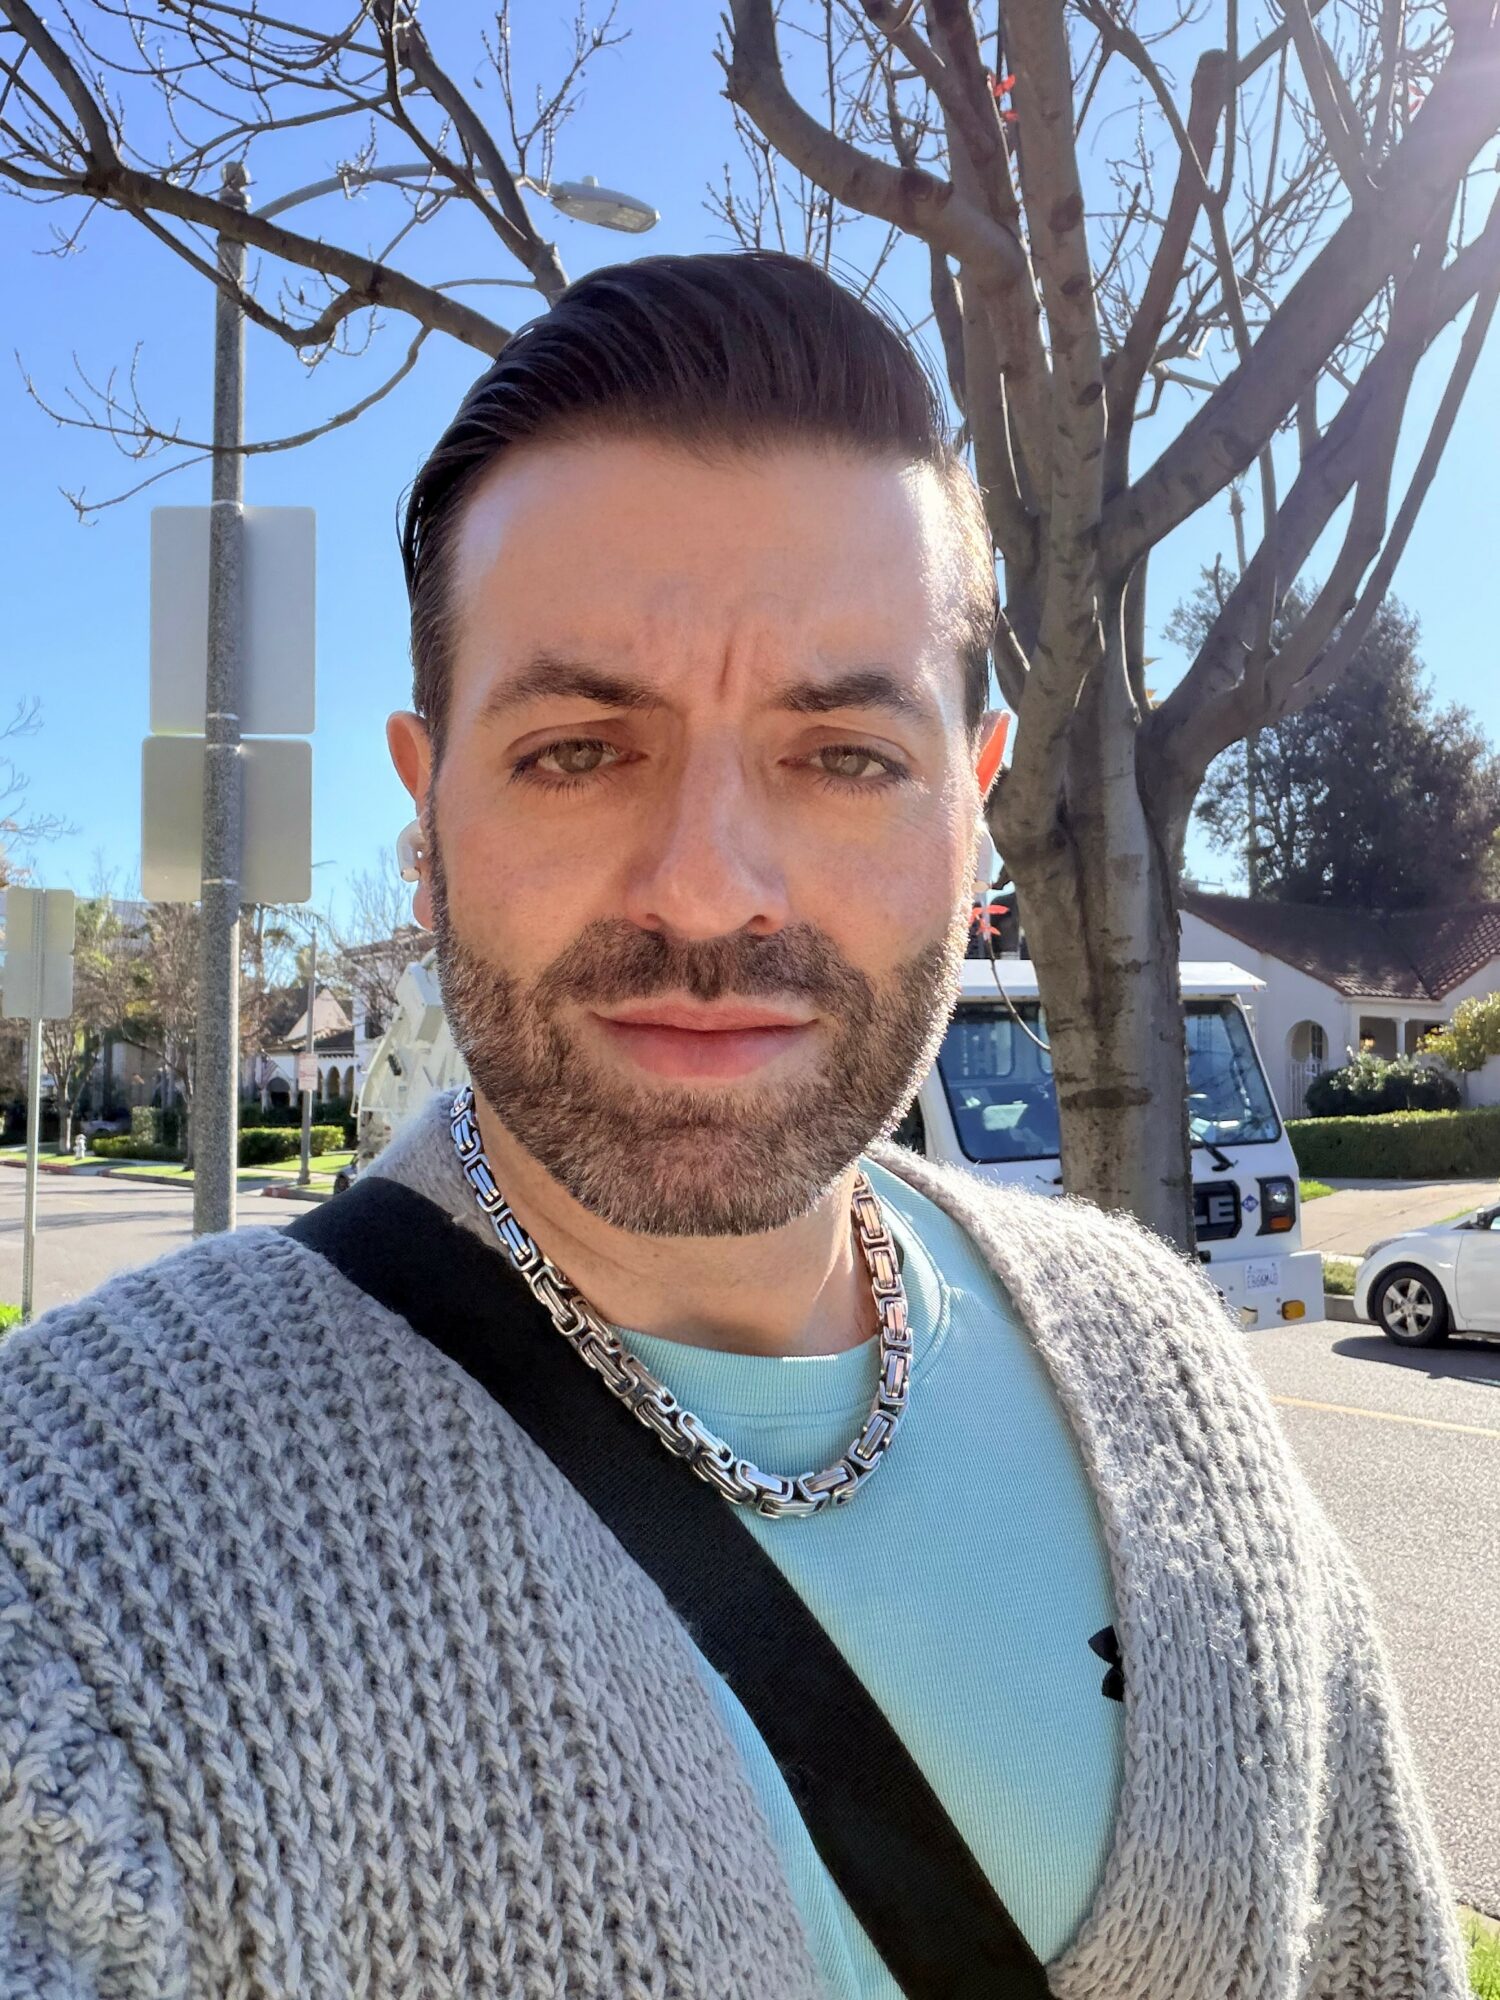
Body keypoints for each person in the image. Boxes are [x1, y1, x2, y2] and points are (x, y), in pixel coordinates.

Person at [0, 253, 1465, 2000]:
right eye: (574, 749)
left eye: (842, 755)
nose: (709, 887)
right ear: (428, 805)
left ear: (973, 805)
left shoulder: (1173, 1375)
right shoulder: (82, 1560)